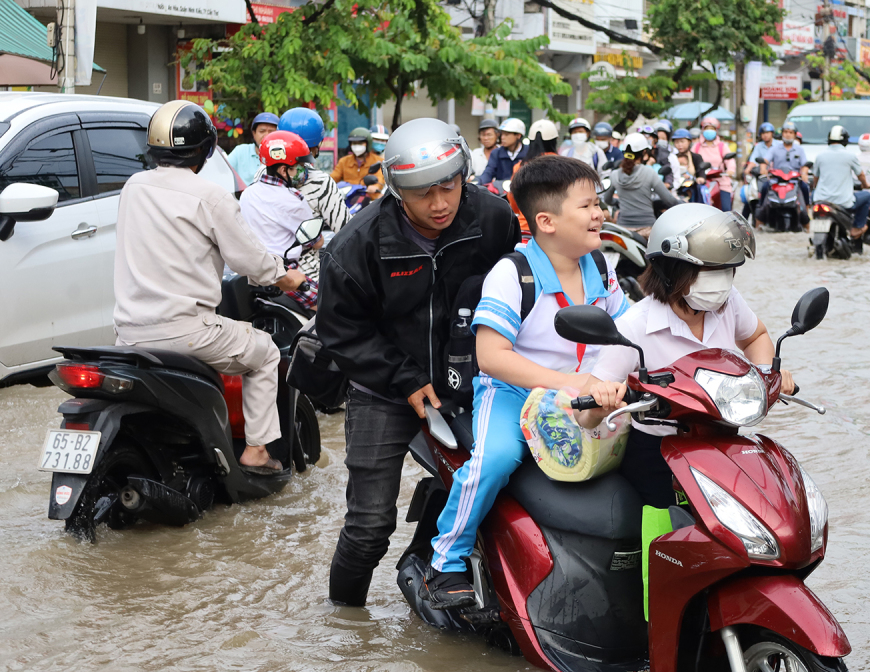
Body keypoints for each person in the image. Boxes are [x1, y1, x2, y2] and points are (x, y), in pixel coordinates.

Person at [315, 118, 522, 607]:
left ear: (463, 176)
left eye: (448, 187)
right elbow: (341, 330)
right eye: (421, 193)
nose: (439, 204)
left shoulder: (494, 220)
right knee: (368, 527)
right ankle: (344, 623)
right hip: (385, 388)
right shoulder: (357, 243)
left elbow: (521, 291)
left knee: (509, 497)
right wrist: (404, 379)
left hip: (477, 380)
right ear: (396, 190)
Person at [422, 154, 631, 608]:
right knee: (493, 460)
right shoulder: (512, 273)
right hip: (515, 393)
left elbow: (629, 330)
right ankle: (446, 561)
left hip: (587, 393)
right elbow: (491, 358)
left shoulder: (600, 265)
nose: (599, 213)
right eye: (588, 205)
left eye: (599, 202)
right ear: (546, 220)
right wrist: (567, 382)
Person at [113, 101, 307, 475]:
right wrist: (286, 276)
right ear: (204, 151)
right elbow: (250, 261)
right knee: (265, 352)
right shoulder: (212, 196)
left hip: (128, 334)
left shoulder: (133, 187)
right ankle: (256, 453)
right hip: (185, 332)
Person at [582, 204, 794, 510]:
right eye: (709, 271)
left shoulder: (729, 303)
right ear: (670, 269)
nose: (721, 282)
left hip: (723, 438)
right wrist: (601, 402)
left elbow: (756, 336)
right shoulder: (634, 326)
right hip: (657, 454)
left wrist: (767, 373)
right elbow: (584, 413)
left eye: (726, 271)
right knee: (664, 539)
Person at [239, 130, 323, 309]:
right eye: (298, 166)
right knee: (332, 307)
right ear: (284, 169)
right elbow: (316, 242)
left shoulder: (248, 193)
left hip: (253, 274)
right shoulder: (294, 199)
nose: (302, 171)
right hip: (285, 273)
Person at [276, 107, 349, 234]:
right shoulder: (321, 182)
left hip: (264, 254)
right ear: (316, 146)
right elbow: (346, 231)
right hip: (304, 254)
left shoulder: (262, 174)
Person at [602, 133, 680, 237]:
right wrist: (683, 204)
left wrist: (619, 201)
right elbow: (669, 200)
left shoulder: (615, 174)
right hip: (647, 229)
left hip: (623, 230)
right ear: (644, 152)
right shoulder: (649, 173)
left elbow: (607, 199)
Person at [812, 125, 870, 239]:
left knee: (812, 197)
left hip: (821, 199)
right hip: (843, 201)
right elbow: (861, 174)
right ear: (845, 140)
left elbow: (816, 178)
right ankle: (857, 227)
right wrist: (865, 185)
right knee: (867, 196)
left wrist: (815, 188)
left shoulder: (820, 156)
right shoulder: (850, 156)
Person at [693, 115, 736, 211]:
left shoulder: (722, 146)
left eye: (712, 128)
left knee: (726, 209)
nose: (709, 130)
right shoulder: (696, 147)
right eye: (707, 128)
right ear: (702, 130)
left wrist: (730, 170)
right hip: (702, 180)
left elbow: (730, 160)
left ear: (716, 130)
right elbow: (691, 160)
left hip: (721, 180)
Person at [330, 127, 384, 200]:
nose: (357, 146)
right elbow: (333, 177)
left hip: (370, 200)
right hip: (349, 199)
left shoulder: (378, 161)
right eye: (354, 143)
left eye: (360, 143)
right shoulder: (344, 161)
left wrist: (375, 186)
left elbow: (379, 178)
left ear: (368, 144)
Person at [226, 111, 278, 184]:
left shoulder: (282, 156)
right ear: (254, 133)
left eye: (271, 132)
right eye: (262, 131)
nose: (266, 135)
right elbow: (224, 172)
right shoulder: (240, 151)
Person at [478, 118, 527, 185]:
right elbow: (488, 173)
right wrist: (479, 185)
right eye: (502, 134)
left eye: (506, 134)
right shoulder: (496, 153)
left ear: (518, 135)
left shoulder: (529, 152)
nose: (502, 137)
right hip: (501, 193)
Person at [668, 128, 709, 203]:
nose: (680, 145)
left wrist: (701, 178)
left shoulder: (696, 157)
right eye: (677, 142)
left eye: (682, 142)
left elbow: (701, 171)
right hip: (675, 186)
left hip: (691, 186)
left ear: (689, 142)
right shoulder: (671, 158)